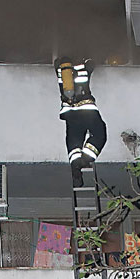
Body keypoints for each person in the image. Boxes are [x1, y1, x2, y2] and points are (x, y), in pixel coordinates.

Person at [54, 56, 107, 188]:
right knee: (99, 134)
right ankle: (85, 159)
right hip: (86, 109)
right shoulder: (84, 67)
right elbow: (91, 64)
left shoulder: (62, 69)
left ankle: (76, 169)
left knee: (74, 141)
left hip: (70, 112)